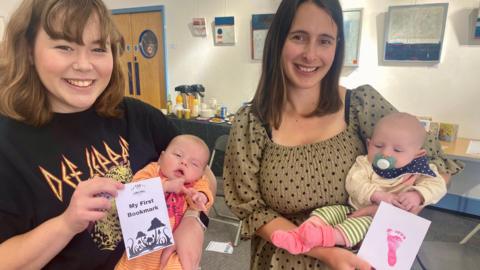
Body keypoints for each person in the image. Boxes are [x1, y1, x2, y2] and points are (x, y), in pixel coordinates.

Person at [222, 0, 463, 269]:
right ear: (278, 40)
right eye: (299, 37)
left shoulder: (361, 105)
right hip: (282, 260)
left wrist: (413, 201)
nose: (311, 54)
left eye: (324, 41)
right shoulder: (251, 122)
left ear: (337, 47)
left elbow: (439, 163)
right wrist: (327, 253)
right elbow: (251, 209)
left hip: (362, 257)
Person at [0, 0, 213, 269]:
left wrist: (195, 220)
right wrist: (66, 224)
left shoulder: (137, 116)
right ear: (29, 50)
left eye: (98, 49)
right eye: (64, 47)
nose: (84, 64)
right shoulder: (8, 143)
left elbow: (203, 174)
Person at [270, 112, 447, 254]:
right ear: (369, 144)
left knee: (357, 227)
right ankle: (299, 236)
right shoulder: (365, 163)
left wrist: (417, 195)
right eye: (378, 146)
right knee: (325, 212)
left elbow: (438, 185)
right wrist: (377, 195)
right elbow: (354, 182)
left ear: (417, 154)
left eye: (398, 150)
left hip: (376, 221)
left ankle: (320, 237)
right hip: (350, 208)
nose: (385, 154)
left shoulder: (420, 170)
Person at [115, 134, 213, 269]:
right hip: (142, 249)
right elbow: (136, 190)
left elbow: (205, 191)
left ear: (201, 173)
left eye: (194, 163)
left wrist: (201, 196)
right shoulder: (152, 171)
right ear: (161, 158)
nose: (184, 162)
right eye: (178, 155)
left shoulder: (195, 183)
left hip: (173, 249)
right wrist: (165, 186)